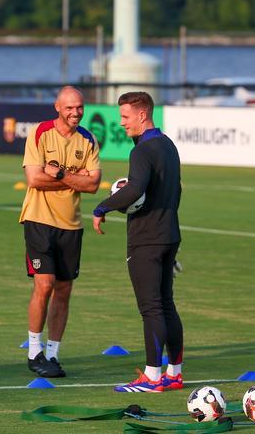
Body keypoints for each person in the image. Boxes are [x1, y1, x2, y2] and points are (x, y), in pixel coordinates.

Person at [92, 91, 183, 393]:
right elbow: (177, 190)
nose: (122, 123)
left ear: (142, 115)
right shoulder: (168, 145)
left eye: (126, 117)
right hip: (169, 235)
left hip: (146, 240)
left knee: (151, 309)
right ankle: (174, 373)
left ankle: (152, 377)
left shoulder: (141, 151)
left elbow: (133, 190)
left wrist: (102, 207)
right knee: (166, 304)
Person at [19, 86, 101, 377]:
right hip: (39, 219)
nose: (76, 112)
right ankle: (34, 351)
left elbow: (93, 185)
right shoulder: (40, 133)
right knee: (45, 285)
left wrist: (63, 174)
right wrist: (76, 180)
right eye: (69, 107)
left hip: (71, 224)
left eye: (79, 107)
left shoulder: (88, 139)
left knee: (64, 290)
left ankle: (52, 354)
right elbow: (34, 179)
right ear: (57, 107)